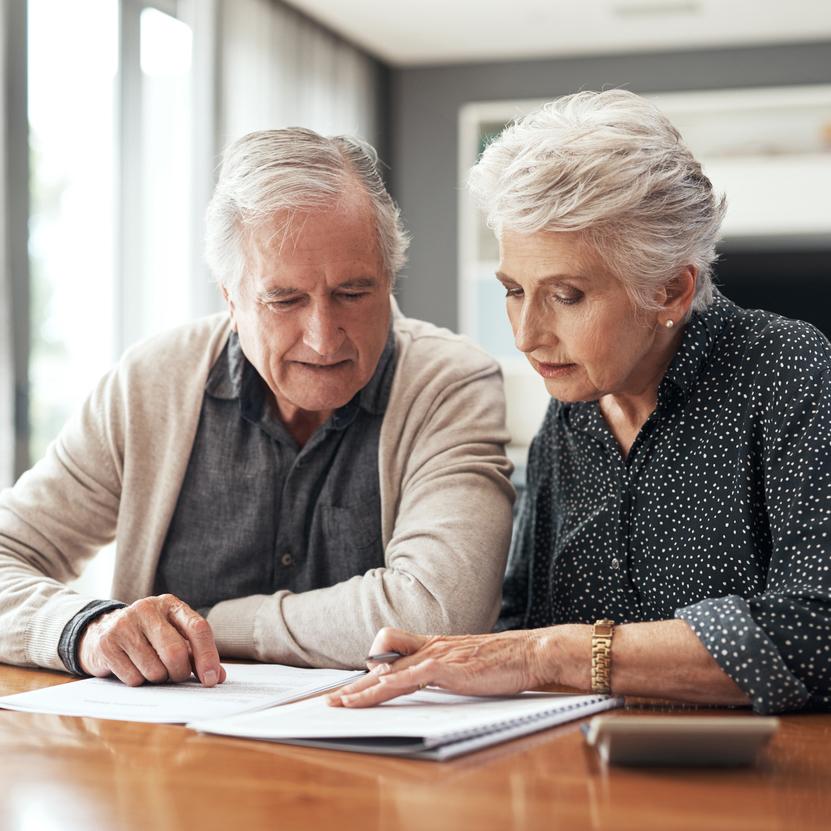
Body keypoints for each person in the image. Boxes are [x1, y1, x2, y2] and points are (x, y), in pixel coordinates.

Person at [329, 89, 831, 715]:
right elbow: (527, 616)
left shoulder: (787, 371)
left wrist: (550, 655)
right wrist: (445, 663)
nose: (526, 334)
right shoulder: (570, 412)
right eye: (514, 290)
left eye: (565, 295)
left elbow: (814, 630)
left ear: (671, 290)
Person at [0, 128, 514, 687]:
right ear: (230, 297)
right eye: (284, 299)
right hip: (163, 757)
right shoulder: (151, 383)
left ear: (389, 279)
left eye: (353, 293)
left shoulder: (450, 384)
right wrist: (90, 629)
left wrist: (215, 625)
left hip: (378, 763)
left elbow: (440, 613)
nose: (323, 338)